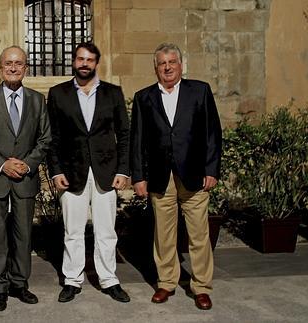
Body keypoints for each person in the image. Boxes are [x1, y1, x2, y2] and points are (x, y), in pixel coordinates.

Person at [129, 43, 222, 310]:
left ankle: (201, 287)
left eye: (172, 62)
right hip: (160, 177)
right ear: (155, 67)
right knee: (164, 233)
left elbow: (212, 133)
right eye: (162, 63)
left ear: (181, 64)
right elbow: (138, 141)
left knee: (199, 234)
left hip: (194, 175)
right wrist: (138, 177)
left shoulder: (200, 91)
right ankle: (167, 282)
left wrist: (211, 170)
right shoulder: (143, 97)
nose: (167, 67)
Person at [0, 45, 51, 312]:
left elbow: (45, 138)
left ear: (25, 68)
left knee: (24, 234)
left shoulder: (37, 100)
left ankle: (19, 284)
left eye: (19, 63)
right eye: (8, 63)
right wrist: (2, 164)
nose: (13, 68)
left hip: (25, 178)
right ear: (0, 67)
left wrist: (27, 164)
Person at [47, 42, 131, 303]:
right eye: (80, 59)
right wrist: (55, 170)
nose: (85, 64)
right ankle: (72, 280)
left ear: (97, 63)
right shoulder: (58, 93)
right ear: (74, 62)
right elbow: (52, 137)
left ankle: (109, 279)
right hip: (71, 172)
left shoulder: (113, 93)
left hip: (106, 171)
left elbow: (125, 134)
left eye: (90, 60)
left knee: (106, 230)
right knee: (72, 230)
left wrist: (123, 170)